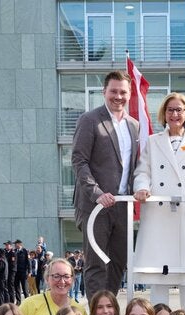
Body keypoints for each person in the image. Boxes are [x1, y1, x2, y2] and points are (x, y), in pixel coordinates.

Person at [72, 70, 140, 300]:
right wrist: (96, 193)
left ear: (129, 94)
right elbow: (79, 160)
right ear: (104, 92)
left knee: (118, 263)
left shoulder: (134, 125)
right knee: (97, 263)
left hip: (123, 205)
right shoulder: (90, 120)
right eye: (113, 91)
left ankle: (108, 313)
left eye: (123, 92)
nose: (118, 96)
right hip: (96, 206)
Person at [19, 258, 88, 315]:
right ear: (47, 279)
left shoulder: (79, 310)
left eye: (66, 276)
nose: (62, 281)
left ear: (73, 279)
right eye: (56, 276)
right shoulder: (30, 304)